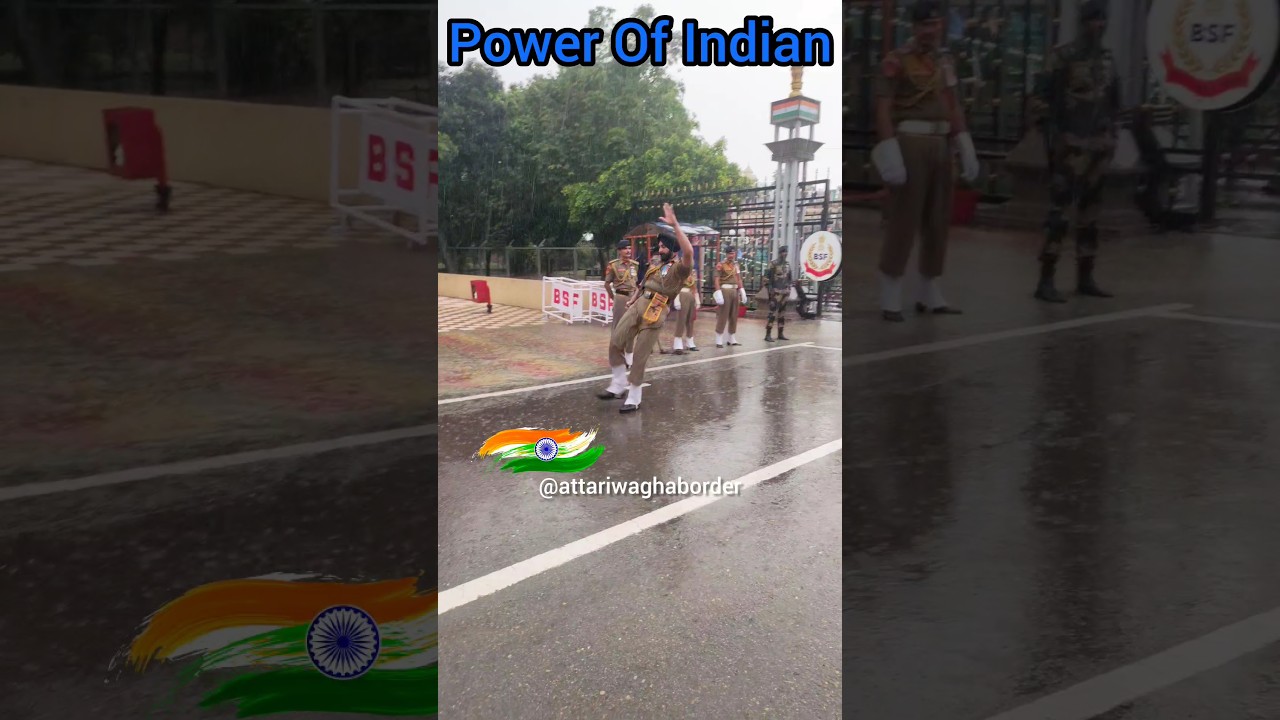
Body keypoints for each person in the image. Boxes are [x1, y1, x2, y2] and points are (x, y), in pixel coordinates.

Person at [870, 0, 980, 321]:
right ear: (914, 27)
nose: (930, 31)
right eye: (924, 26)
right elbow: (883, 109)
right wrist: (890, 149)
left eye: (935, 25)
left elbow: (953, 104)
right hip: (911, 142)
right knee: (905, 218)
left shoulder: (945, 62)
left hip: (940, 143)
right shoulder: (897, 61)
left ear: (941, 26)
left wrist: (964, 142)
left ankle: (929, 290)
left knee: (938, 220)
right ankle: (890, 289)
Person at [1031, 0, 1119, 302]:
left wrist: (1111, 135)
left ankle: (1086, 276)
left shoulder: (1107, 59)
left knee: (1090, 215)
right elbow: (1040, 99)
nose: (1100, 26)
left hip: (1098, 146)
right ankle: (1046, 279)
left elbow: (1113, 99)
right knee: (1060, 215)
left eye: (1103, 20)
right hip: (1070, 147)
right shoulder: (1062, 57)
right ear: (1083, 23)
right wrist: (1053, 137)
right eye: (1094, 20)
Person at [599, 203, 694, 413]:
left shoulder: (680, 268)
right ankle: (618, 384)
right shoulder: (655, 265)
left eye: (664, 247)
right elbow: (642, 284)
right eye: (659, 247)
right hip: (639, 304)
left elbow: (688, 251)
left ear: (673, 249)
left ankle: (634, 396)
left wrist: (675, 224)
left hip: (656, 310)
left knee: (640, 354)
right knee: (616, 340)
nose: (660, 250)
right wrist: (633, 299)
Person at [602, 238, 639, 366]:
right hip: (620, 298)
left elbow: (636, 284)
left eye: (629, 248)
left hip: (633, 298)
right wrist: (614, 298)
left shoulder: (635, 265)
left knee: (632, 327)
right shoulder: (614, 265)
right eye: (625, 248)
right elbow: (607, 284)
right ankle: (616, 355)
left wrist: (635, 297)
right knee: (617, 328)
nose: (628, 251)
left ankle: (629, 354)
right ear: (619, 251)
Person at [714, 244, 746, 347]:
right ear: (726, 254)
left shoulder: (736, 265)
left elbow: (738, 278)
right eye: (730, 253)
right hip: (725, 290)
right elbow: (716, 280)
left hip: (734, 291)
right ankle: (719, 338)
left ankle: (731, 338)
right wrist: (718, 292)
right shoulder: (721, 265)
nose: (732, 255)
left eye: (733, 253)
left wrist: (742, 290)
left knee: (734, 315)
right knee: (723, 315)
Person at [671, 250, 699, 355]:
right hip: (681, 294)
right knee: (681, 320)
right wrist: (676, 298)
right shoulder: (678, 271)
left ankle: (690, 341)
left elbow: (693, 286)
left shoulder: (692, 272)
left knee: (690, 320)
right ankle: (677, 342)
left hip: (690, 295)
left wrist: (697, 298)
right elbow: (675, 285)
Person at [764, 246, 792, 342]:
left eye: (786, 252)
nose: (785, 254)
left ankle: (780, 333)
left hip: (784, 292)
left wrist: (789, 288)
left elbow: (789, 278)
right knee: (772, 314)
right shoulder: (773, 264)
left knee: (782, 314)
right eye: (783, 252)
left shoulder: (787, 265)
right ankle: (768, 334)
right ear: (779, 253)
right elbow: (767, 278)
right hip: (775, 293)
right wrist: (770, 290)